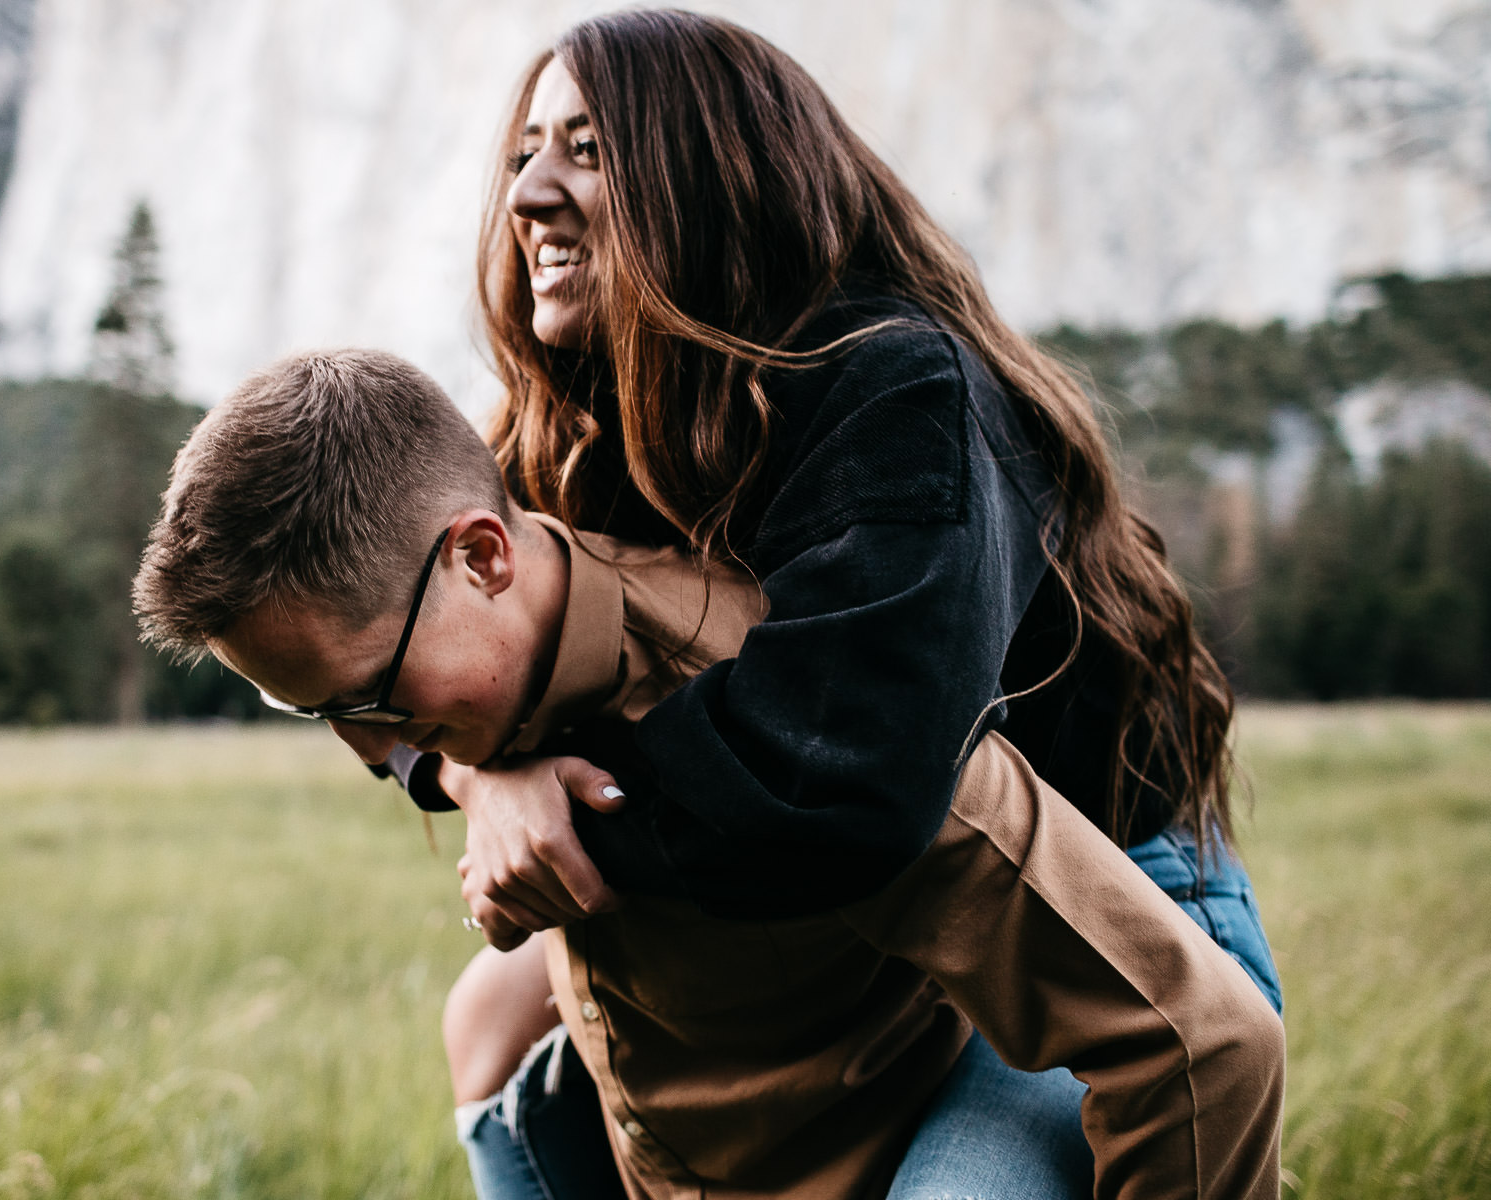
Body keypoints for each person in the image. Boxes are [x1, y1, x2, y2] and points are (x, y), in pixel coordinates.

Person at [365, 8, 1285, 1198]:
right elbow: (362, 637)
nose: (529, 196)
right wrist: (475, 778)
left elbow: (832, 767)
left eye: (588, 151)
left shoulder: (894, 390)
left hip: (1099, 916)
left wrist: (563, 807)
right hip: (887, 914)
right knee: (492, 1025)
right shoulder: (573, 422)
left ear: (714, 170)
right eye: (521, 157)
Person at [131, 348, 1284, 1200]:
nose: (370, 751)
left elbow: (1203, 1042)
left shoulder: (797, 722)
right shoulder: (481, 673)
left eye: (364, 701)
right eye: (309, 712)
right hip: (685, 1156)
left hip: (896, 1139)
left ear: (482, 556)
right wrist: (477, 776)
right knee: (488, 1034)